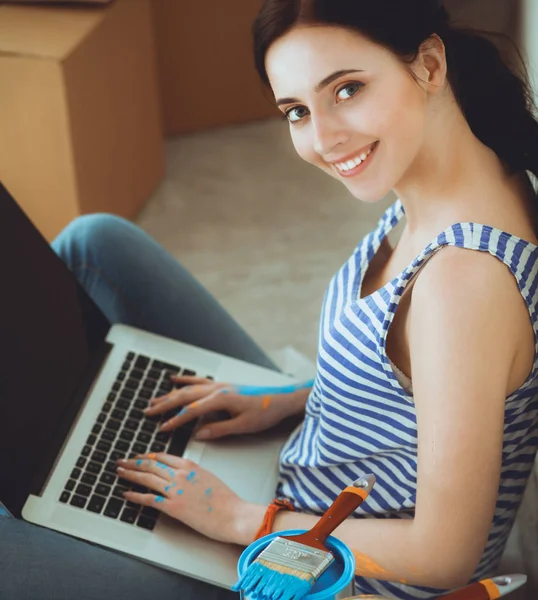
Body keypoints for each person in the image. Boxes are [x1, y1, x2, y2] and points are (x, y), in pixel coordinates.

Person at [2, 0, 538, 598]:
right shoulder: (473, 175)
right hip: (305, 466)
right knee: (93, 242)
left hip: (316, 571)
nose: (323, 139)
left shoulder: (461, 284)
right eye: (297, 110)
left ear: (430, 63)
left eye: (348, 89)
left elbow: (444, 556)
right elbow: (431, 385)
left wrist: (238, 520)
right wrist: (289, 398)